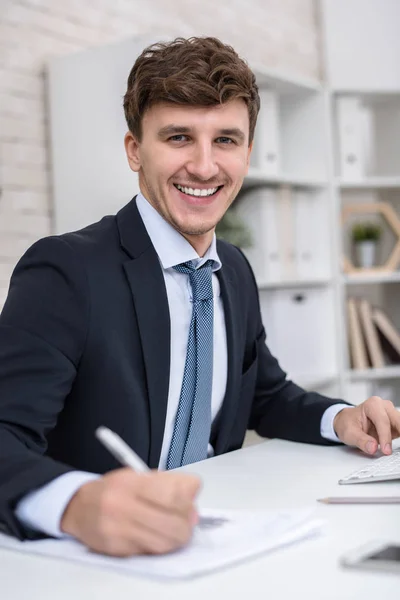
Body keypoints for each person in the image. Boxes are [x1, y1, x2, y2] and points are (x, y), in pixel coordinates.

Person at [0, 36, 399, 558]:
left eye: (226, 140)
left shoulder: (232, 268)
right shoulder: (66, 271)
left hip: (215, 534)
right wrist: (75, 503)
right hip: (98, 561)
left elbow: (264, 394)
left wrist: (340, 419)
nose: (205, 166)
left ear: (247, 153)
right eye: (179, 137)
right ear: (134, 150)